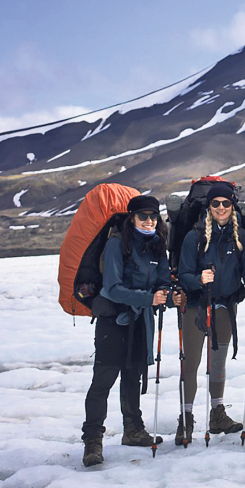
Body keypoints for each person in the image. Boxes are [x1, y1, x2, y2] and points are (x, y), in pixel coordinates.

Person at [82, 195, 185, 467]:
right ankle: (92, 440)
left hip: (140, 321)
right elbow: (113, 288)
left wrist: (168, 295)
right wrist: (149, 299)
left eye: (153, 216)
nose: (149, 221)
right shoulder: (116, 244)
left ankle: (133, 430)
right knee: (103, 380)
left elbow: (162, 280)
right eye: (143, 216)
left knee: (132, 376)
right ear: (132, 218)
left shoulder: (156, 245)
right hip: (113, 321)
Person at [176, 183, 245, 443]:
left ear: (232, 206)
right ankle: (186, 419)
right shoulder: (194, 237)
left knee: (217, 362)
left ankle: (217, 414)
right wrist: (198, 280)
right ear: (209, 206)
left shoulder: (242, 239)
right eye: (216, 203)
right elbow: (183, 274)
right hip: (196, 306)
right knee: (191, 363)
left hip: (226, 306)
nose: (221, 208)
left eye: (226, 203)